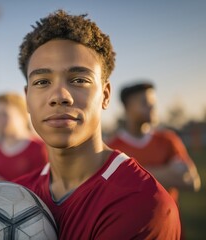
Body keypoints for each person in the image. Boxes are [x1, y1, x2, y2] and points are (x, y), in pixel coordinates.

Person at [13, 10, 181, 239]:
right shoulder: (14, 196)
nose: (59, 96)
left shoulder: (142, 202)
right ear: (27, 99)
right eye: (42, 81)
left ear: (105, 95)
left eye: (79, 80)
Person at [107, 82, 201, 202]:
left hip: (169, 220)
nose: (152, 107)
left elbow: (191, 181)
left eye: (153, 102)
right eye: (144, 102)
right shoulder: (111, 148)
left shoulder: (168, 140)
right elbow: (111, 190)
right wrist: (169, 172)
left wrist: (130, 175)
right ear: (127, 107)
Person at [0, 93, 48, 183]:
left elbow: (43, 186)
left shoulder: (40, 148)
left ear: (23, 116)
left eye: (4, 115)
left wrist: (5, 187)